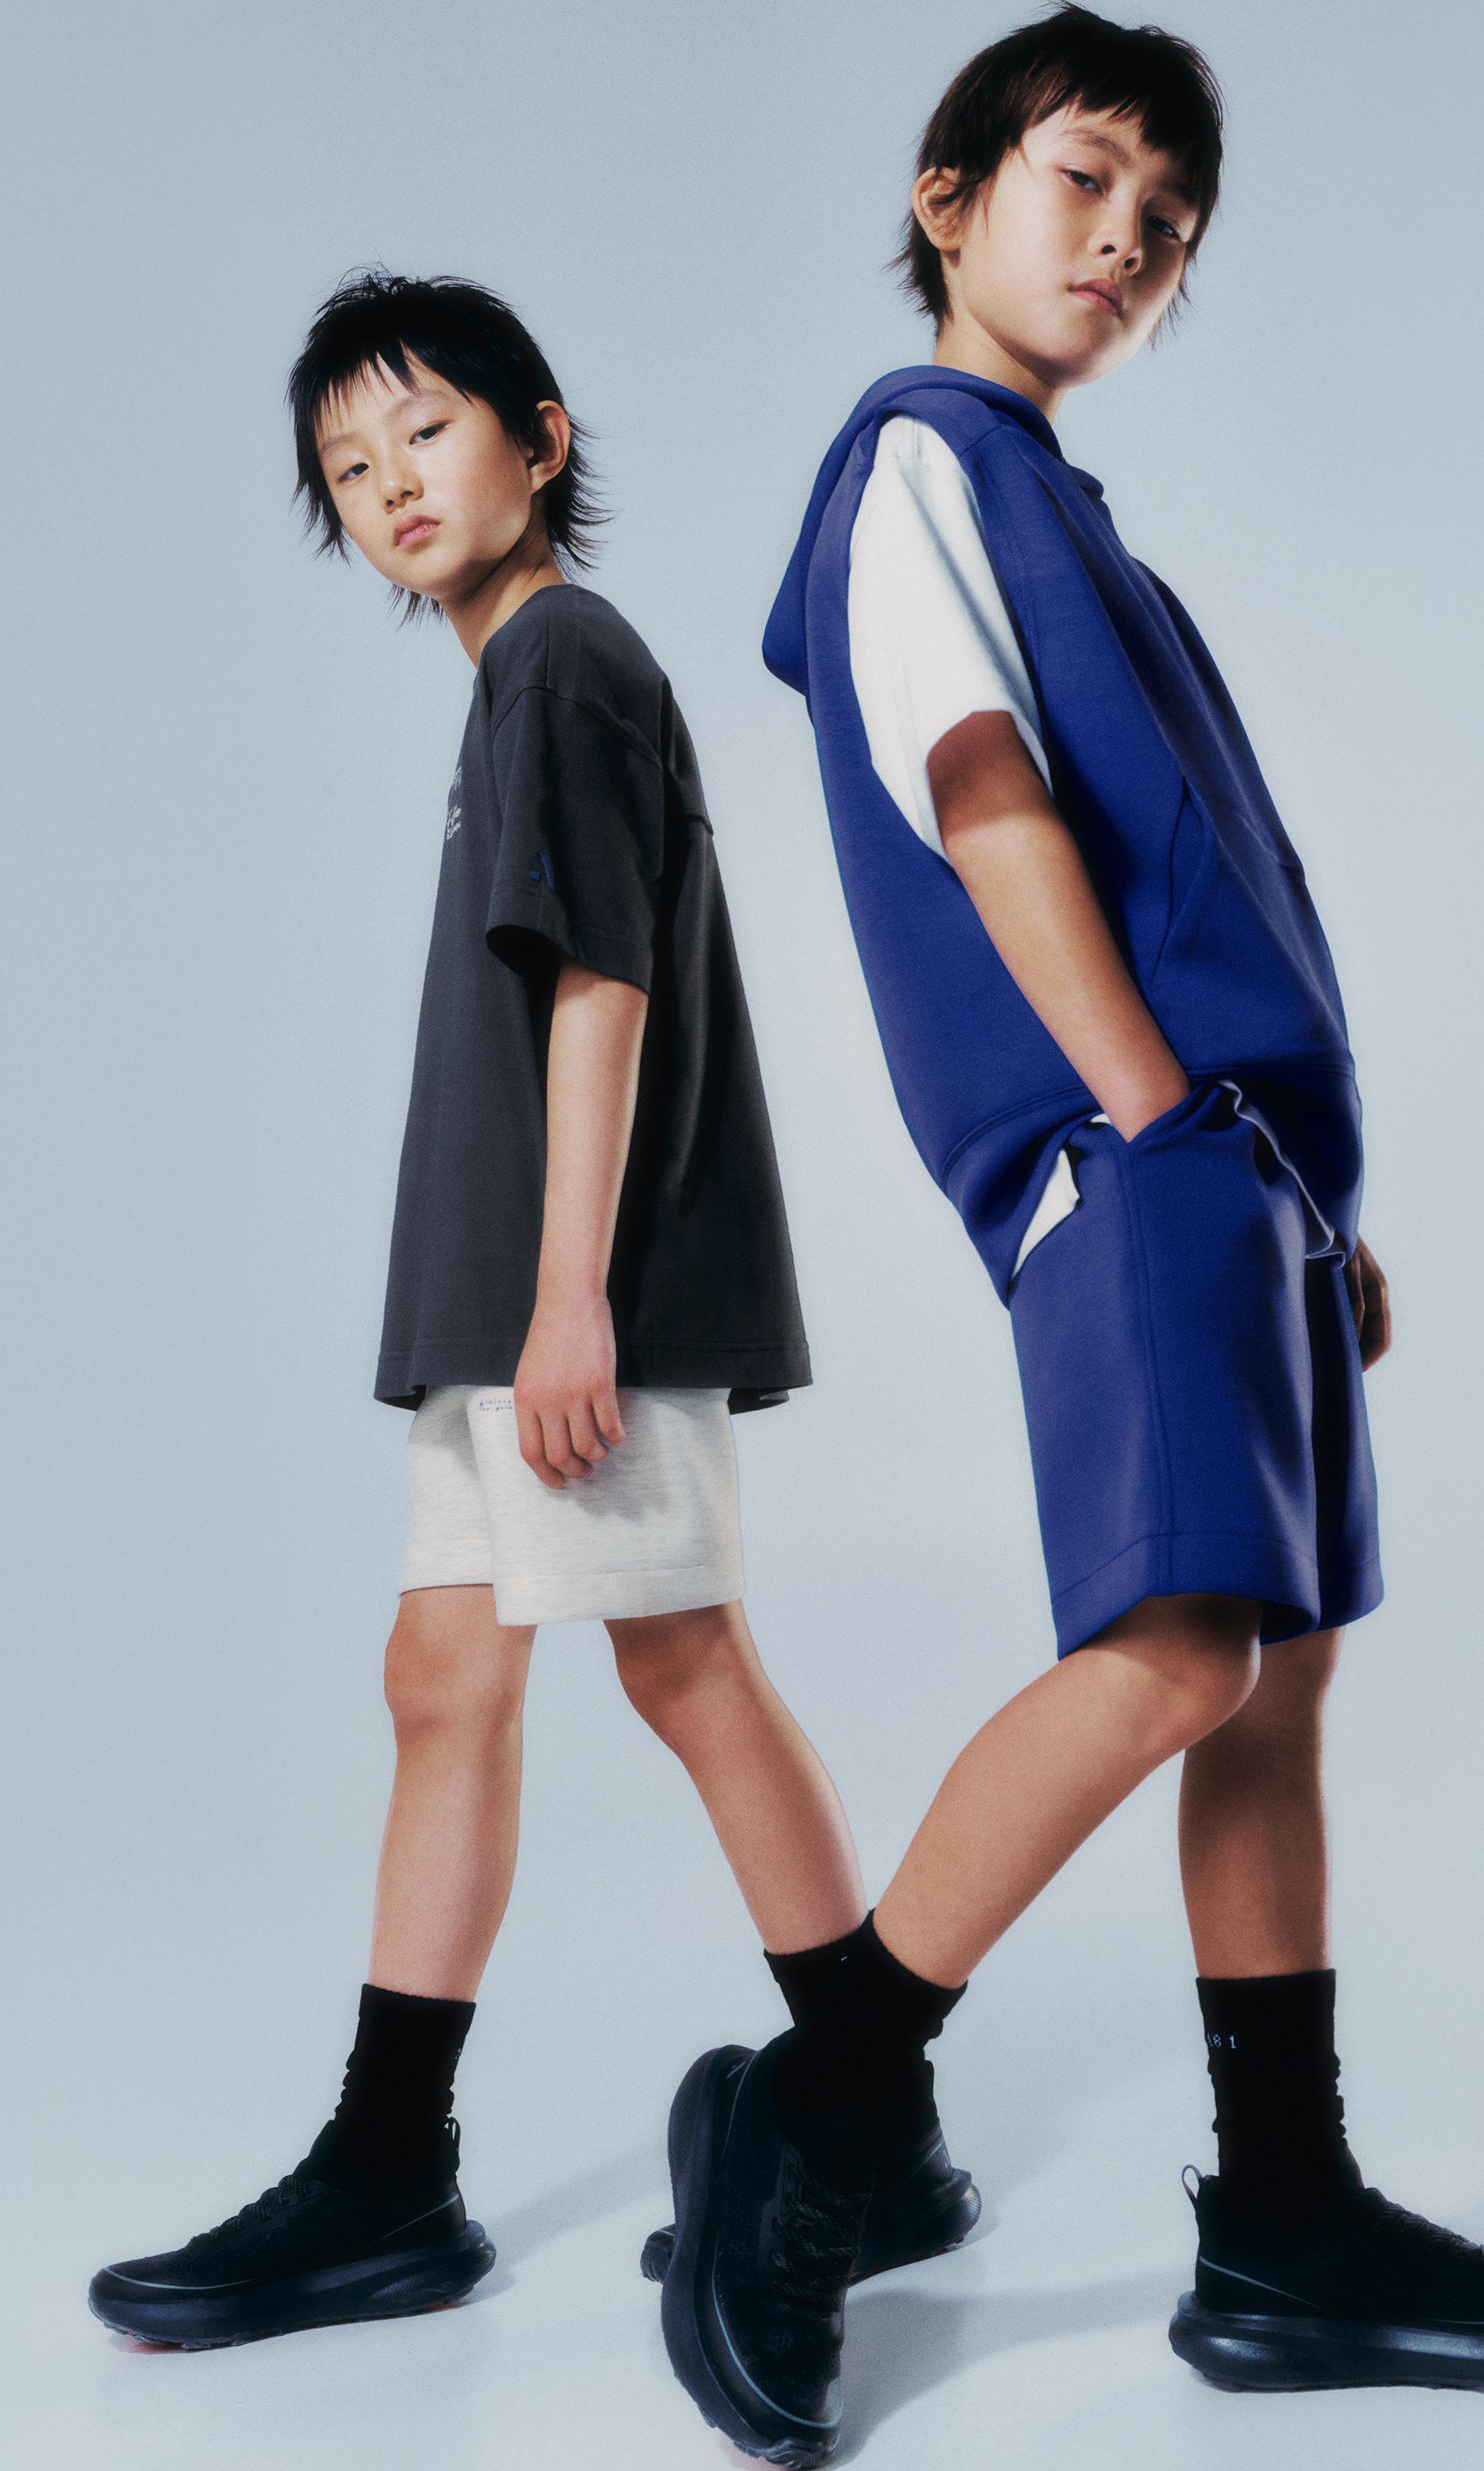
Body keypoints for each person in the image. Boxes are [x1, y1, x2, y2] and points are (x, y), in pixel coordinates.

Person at [656, 14, 1484, 2460]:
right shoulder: (917, 458)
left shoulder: (1075, 522)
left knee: (1274, 1673)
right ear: (951, 192)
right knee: (1176, 1651)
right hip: (1148, 1148)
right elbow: (981, 793)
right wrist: (1160, 1117)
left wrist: (1308, 1198)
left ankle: (1283, 2224)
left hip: (1244, 1169)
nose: (1123, 241)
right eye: (1083, 179)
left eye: (1166, 225)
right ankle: (818, 2108)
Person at [88, 270, 976, 2350]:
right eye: (348, 467)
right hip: (507, 1295)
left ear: (540, 438)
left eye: (426, 430)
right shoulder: (521, 682)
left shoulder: (565, 657)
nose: (392, 482)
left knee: (686, 1667)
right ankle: (391, 2170)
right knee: (444, 1676)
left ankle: (871, 2126)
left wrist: (573, 1292)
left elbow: (604, 983)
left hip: (581, 1295)